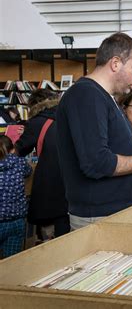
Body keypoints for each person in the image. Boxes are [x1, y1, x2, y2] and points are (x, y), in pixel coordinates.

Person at [56, 32, 132, 230]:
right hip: (99, 216)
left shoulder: (104, 98)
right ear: (115, 63)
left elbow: (119, 160)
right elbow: (97, 164)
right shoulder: (86, 95)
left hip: (113, 212)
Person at [15, 89, 70, 240]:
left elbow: (19, 150)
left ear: (33, 105)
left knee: (49, 235)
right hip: (72, 184)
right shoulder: (68, 116)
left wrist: (21, 135)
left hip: (49, 186)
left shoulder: (36, 122)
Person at [0, 136, 32, 258]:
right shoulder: (19, 162)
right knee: (11, 263)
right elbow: (29, 171)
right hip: (17, 221)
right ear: (12, 149)